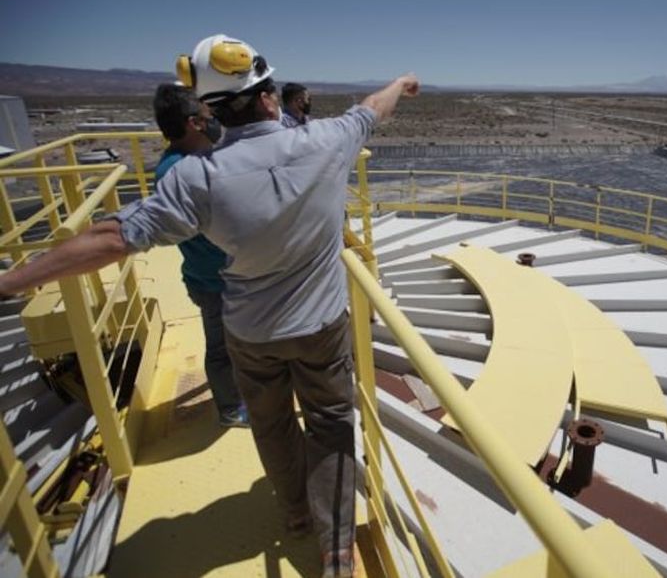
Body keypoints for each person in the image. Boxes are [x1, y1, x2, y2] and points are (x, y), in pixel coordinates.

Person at [0, 34, 419, 578]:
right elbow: (371, 110)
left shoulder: (195, 178)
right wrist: (400, 84)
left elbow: (110, 239)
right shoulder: (328, 141)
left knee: (270, 425)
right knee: (332, 425)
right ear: (269, 97)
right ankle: (336, 548)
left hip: (250, 332)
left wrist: (12, 281)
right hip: (320, 325)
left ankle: (294, 514)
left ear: (211, 111)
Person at [151, 83, 248, 428]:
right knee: (222, 348)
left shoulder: (193, 160)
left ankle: (238, 395)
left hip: (222, 276)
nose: (213, 121)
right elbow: (213, 232)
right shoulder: (176, 173)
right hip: (215, 281)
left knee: (236, 343)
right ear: (193, 123)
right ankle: (230, 409)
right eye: (208, 116)